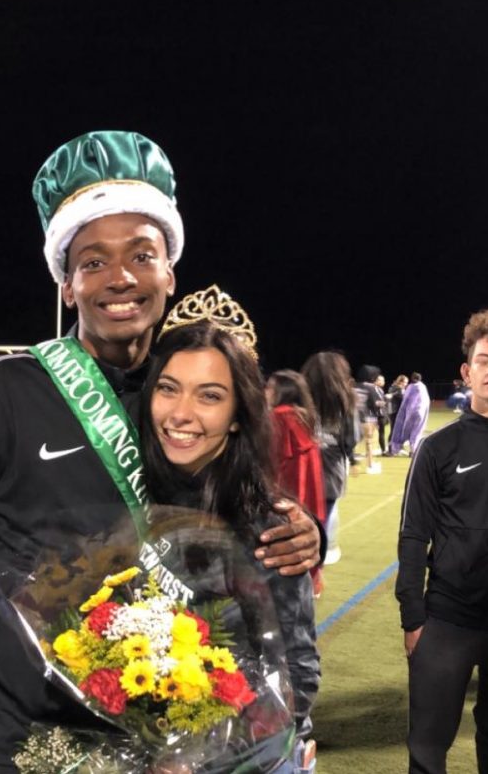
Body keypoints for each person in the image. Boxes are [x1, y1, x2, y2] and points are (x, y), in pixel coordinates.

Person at [0, 130, 322, 774]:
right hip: (4, 741)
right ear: (66, 284)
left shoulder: (183, 403)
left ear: (167, 273)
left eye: (141, 255)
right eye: (92, 261)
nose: (119, 277)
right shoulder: (6, 388)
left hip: (143, 752)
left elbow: (226, 546)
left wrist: (298, 530)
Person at [142, 293, 320, 772]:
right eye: (168, 388)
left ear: (240, 412)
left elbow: (298, 668)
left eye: (210, 396)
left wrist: (201, 754)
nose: (181, 413)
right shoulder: (124, 495)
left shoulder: (270, 525)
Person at [396, 305, 488, 774]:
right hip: (448, 621)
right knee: (428, 752)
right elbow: (413, 536)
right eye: (486, 360)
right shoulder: (438, 448)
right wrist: (414, 617)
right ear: (467, 372)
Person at [267, 369, 326, 599]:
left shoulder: (279, 417)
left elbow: (271, 462)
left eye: (270, 387)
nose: (265, 391)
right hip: (308, 495)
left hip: (285, 493)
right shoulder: (304, 416)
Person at [301, 352, 356, 566]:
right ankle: (323, 554)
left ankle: (308, 556)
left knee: (302, 513)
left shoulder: (298, 399)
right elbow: (351, 440)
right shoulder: (345, 402)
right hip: (331, 471)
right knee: (326, 511)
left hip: (301, 469)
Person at [389, 372, 430, 456]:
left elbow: (405, 400)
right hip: (420, 413)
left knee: (402, 431)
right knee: (416, 432)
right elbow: (427, 401)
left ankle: (395, 447)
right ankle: (412, 451)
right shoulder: (423, 387)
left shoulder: (410, 387)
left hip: (410, 413)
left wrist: (403, 413)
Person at [355, 365, 383, 474]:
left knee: (351, 442)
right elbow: (376, 403)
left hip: (352, 418)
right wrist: (384, 402)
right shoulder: (371, 387)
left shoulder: (354, 386)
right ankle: (370, 466)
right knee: (369, 443)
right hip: (367, 419)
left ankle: (347, 462)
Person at [375, 374, 390, 455]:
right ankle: (383, 450)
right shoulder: (375, 390)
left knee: (382, 432)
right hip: (378, 415)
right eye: (381, 380)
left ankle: (384, 449)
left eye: (383, 380)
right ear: (376, 381)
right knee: (381, 432)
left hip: (382, 414)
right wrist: (387, 399)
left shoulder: (380, 390)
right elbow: (377, 403)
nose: (383, 382)